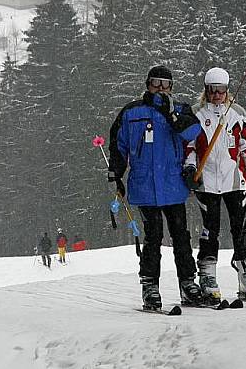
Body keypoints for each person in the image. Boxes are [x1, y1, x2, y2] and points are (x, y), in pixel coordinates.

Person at [108, 65, 203, 310]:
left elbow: (194, 133)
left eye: (165, 83)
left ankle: (188, 283)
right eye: (155, 82)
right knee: (153, 237)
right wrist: (116, 173)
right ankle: (150, 285)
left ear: (172, 87)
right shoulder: (132, 112)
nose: (160, 88)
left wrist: (172, 115)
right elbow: (118, 144)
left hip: (173, 185)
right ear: (147, 84)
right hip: (144, 185)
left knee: (181, 236)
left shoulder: (181, 109)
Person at [184, 67, 246, 304]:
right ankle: (207, 276)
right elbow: (188, 146)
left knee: (241, 229)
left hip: (234, 180)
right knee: (211, 230)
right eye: (212, 90)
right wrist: (189, 169)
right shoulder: (196, 113)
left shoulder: (237, 113)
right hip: (206, 182)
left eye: (221, 91)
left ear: (227, 91)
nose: (217, 95)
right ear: (206, 91)